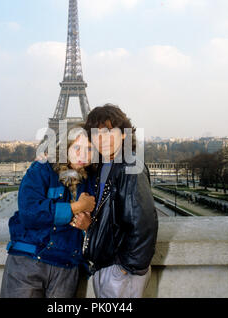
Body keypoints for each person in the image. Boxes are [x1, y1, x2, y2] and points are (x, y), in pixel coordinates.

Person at [0, 126, 96, 298]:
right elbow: (30, 213)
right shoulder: (42, 168)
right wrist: (77, 207)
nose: (83, 155)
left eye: (89, 149)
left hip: (65, 265)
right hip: (30, 261)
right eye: (77, 148)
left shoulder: (91, 180)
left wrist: (87, 226)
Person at [82, 104, 158, 298]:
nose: (102, 139)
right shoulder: (105, 165)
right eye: (96, 133)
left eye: (108, 131)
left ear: (124, 134)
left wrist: (126, 268)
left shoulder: (130, 166)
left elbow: (143, 224)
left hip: (120, 270)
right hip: (107, 265)